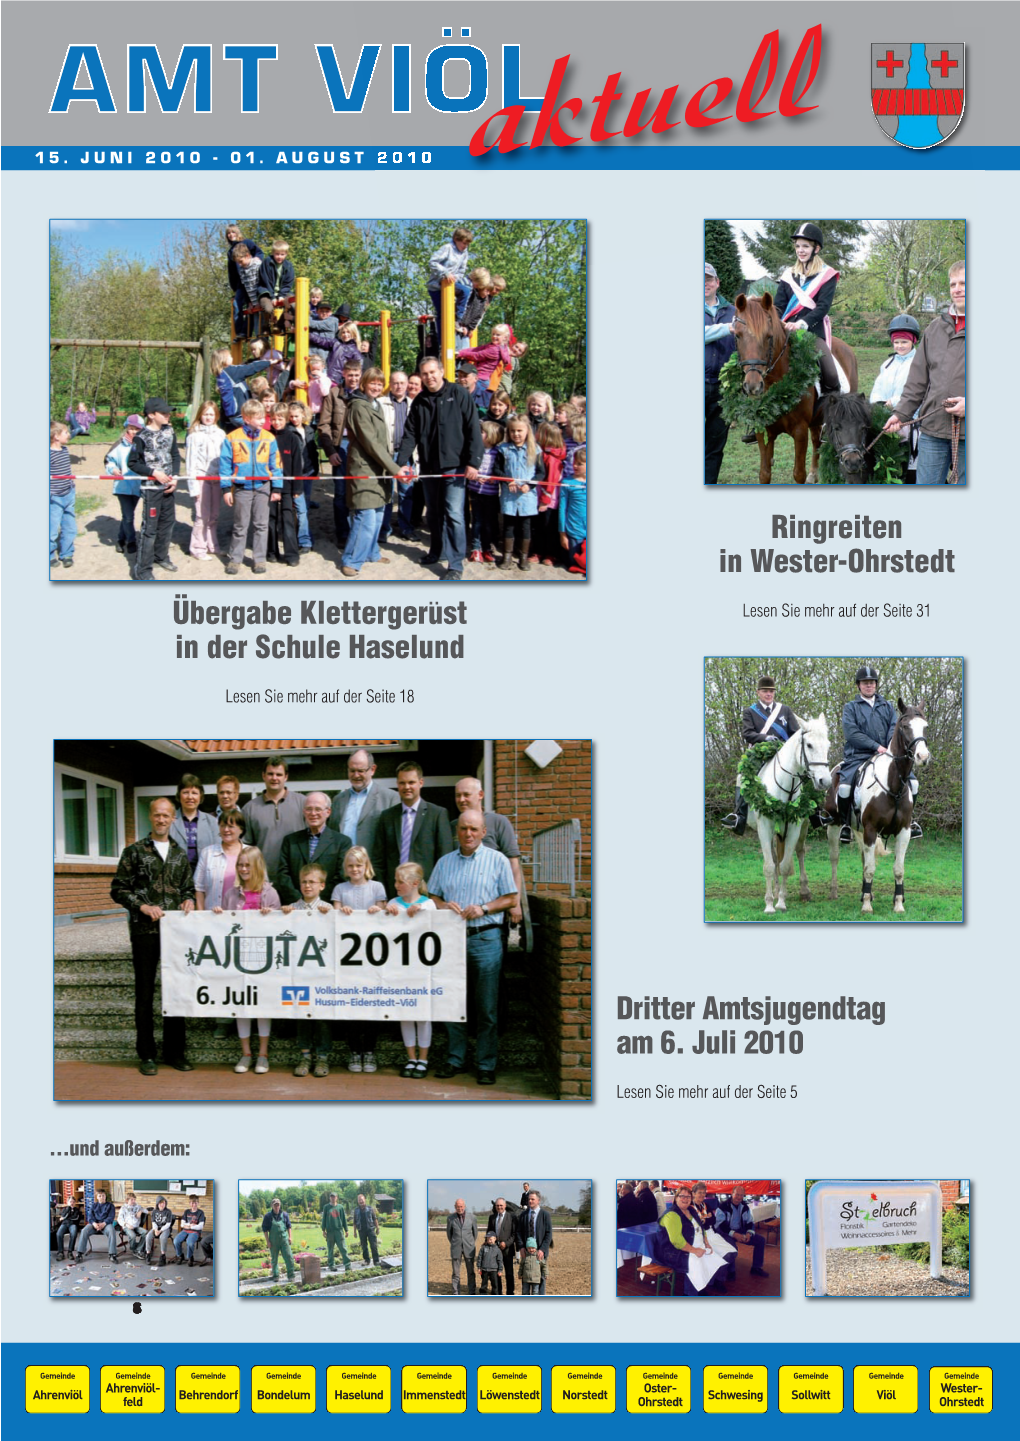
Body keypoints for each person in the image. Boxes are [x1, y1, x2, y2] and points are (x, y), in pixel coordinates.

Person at [429, 809, 518, 1085]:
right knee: (453, 1002)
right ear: (458, 832)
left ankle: (485, 1064)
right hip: (452, 940)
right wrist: (444, 905)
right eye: (463, 829)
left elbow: (511, 898)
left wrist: (484, 908)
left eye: (473, 829)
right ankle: (455, 1059)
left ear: (483, 833)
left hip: (486, 938)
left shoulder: (498, 860)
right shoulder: (444, 863)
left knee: (486, 1006)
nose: (468, 834)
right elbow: (433, 895)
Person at [110, 797, 196, 1075]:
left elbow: (187, 888)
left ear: (173, 819)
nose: (161, 820)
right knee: (145, 994)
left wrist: (189, 900)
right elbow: (118, 889)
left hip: (174, 933)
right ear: (151, 817)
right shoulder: (134, 852)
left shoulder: (179, 853)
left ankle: (175, 1052)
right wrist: (142, 905)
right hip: (144, 931)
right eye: (157, 815)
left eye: (166, 816)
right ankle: (147, 1054)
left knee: (175, 993)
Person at [395, 356, 484, 580]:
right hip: (429, 466)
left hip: (455, 466)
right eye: (424, 374)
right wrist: (401, 463)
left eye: (432, 372)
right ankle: (437, 550)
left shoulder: (459, 394)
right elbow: (410, 434)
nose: (429, 377)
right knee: (433, 513)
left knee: (454, 514)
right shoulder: (420, 400)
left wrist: (474, 462)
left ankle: (455, 565)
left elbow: (473, 427)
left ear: (442, 371)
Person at [883, 261, 966, 485]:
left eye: (964, 283)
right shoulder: (934, 329)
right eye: (953, 284)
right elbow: (917, 382)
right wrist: (901, 414)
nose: (957, 289)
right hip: (934, 430)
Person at [831, 664, 922, 843]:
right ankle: (846, 824)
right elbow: (852, 733)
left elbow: (893, 728)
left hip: (886, 754)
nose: (869, 685)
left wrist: (887, 747)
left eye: (872, 682)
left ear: (876, 684)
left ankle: (911, 821)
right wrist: (875, 746)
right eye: (865, 683)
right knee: (844, 786)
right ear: (858, 685)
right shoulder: (851, 707)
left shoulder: (887, 706)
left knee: (913, 782)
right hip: (858, 755)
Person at [217, 846, 280, 1074]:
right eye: (240, 865)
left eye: (247, 865)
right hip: (238, 957)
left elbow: (281, 928)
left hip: (263, 958)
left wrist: (271, 917)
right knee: (241, 1005)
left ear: (257, 867)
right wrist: (217, 915)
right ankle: (246, 1054)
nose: (243, 869)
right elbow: (223, 926)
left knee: (262, 1005)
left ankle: (263, 1054)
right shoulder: (231, 894)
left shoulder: (270, 893)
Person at [771, 223, 842, 420]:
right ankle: (759, 417)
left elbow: (822, 307)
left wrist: (801, 323)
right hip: (785, 328)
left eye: (805, 246)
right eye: (798, 246)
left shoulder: (827, 275)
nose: (800, 251)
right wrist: (777, 321)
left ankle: (831, 414)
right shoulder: (788, 275)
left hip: (812, 330)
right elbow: (779, 305)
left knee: (830, 373)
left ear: (816, 249)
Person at [341, 366, 406, 576]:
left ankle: (371, 552)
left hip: (378, 469)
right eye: (372, 383)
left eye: (379, 383)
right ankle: (351, 560)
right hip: (365, 468)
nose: (376, 387)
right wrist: (395, 468)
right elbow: (370, 443)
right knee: (365, 516)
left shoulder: (375, 404)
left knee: (378, 514)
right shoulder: (359, 406)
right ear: (364, 384)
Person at [721, 677, 801, 835]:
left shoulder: (785, 710)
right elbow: (748, 733)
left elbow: (795, 733)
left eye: (771, 691)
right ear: (758, 692)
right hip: (759, 755)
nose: (769, 694)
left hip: (783, 755)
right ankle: (738, 816)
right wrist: (765, 738)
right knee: (742, 778)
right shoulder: (750, 711)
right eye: (765, 691)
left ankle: (817, 814)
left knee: (807, 772)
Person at [332, 845, 387, 1072]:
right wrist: (341, 913)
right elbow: (333, 919)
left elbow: (386, 917)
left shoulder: (377, 888)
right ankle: (354, 1051)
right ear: (345, 868)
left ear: (367, 866)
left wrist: (378, 910)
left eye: (359, 865)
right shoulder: (339, 889)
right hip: (347, 959)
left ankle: (370, 1052)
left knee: (371, 1005)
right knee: (351, 1005)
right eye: (351, 865)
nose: (355, 869)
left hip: (372, 958)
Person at [452, 775, 524, 936]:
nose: (461, 799)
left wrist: (515, 903)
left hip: (492, 912)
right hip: (459, 917)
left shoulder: (498, 822)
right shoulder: (452, 826)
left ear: (480, 795)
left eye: (466, 794)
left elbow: (514, 865)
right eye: (458, 795)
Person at [219, 398, 283, 575]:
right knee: (240, 525)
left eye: (264, 417)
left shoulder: (269, 438)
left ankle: (259, 559)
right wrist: (226, 489)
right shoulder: (232, 437)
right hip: (242, 488)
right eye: (258, 417)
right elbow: (225, 465)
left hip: (263, 486)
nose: (263, 420)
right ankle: (235, 559)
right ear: (246, 418)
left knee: (261, 524)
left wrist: (277, 488)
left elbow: (276, 464)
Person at [385, 862, 437, 1076]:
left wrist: (421, 910)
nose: (396, 885)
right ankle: (411, 1057)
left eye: (400, 881)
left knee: (423, 1014)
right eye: (396, 880)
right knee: (405, 1012)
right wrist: (385, 912)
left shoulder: (429, 904)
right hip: (400, 967)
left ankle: (423, 1059)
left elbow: (434, 918)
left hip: (422, 967)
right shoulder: (393, 903)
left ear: (415, 883)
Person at [284, 864, 336, 1076]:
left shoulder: (328, 908)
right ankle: (305, 1056)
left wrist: (331, 915)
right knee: (302, 1014)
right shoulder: (292, 908)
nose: (307, 885)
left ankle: (322, 1058)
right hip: (299, 973)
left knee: (323, 1016)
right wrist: (283, 914)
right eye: (304, 881)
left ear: (322, 885)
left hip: (323, 973)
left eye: (312, 882)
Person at [371, 761, 454, 891]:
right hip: (394, 892)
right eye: (402, 783)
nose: (406, 787)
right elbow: (378, 859)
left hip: (426, 891)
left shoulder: (437, 814)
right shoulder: (387, 817)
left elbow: (445, 858)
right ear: (397, 784)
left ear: (421, 783)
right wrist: (382, 890)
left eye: (411, 782)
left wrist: (436, 892)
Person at [127, 398, 182, 581]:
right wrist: (153, 473)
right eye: (164, 413)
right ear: (151, 415)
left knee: (167, 524)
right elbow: (132, 463)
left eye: (168, 412)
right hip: (151, 488)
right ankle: (142, 569)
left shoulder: (170, 431)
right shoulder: (141, 437)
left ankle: (161, 556)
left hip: (168, 487)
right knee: (149, 529)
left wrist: (174, 477)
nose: (168, 415)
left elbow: (175, 455)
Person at [870, 315, 920, 483]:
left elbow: (919, 388)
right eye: (896, 342)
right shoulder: (887, 364)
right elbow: (878, 386)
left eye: (904, 342)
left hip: (911, 417)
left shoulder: (919, 362)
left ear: (913, 341)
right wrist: (878, 402)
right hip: (887, 415)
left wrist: (896, 401)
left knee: (910, 459)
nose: (899, 346)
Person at [276, 793, 353, 903]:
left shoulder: (342, 842)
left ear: (328, 812)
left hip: (327, 906)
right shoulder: (290, 841)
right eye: (309, 809)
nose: (313, 813)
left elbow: (341, 876)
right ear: (304, 812)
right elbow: (283, 875)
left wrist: (318, 901)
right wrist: (299, 900)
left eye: (318, 809)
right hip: (294, 906)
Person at [242, 757, 307, 883]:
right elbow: (246, 847)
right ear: (263, 776)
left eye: (279, 774)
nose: (274, 778)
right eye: (270, 774)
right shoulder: (250, 808)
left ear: (286, 777)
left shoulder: (302, 803)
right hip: (263, 879)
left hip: (297, 879)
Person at [494, 415, 546, 572]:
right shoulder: (503, 449)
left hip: (527, 496)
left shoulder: (535, 450)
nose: (516, 434)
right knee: (508, 525)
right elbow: (497, 470)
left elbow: (541, 473)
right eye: (512, 431)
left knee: (525, 526)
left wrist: (529, 485)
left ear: (527, 431)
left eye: (519, 430)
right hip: (509, 495)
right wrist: (507, 480)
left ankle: (523, 557)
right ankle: (507, 555)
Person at [657, 1185, 726, 1296]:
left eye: (688, 1196)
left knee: (713, 1258)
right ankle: (690, 1293)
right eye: (682, 1196)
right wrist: (694, 1250)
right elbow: (676, 1241)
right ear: (676, 1198)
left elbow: (701, 1227)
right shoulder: (672, 1214)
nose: (685, 1199)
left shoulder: (690, 1210)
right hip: (672, 1251)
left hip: (692, 1245)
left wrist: (706, 1242)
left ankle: (701, 1286)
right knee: (696, 1261)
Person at [327, 748, 399, 855]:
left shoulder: (390, 798)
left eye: (361, 771)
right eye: (352, 770)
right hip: (344, 866)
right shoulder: (338, 800)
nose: (356, 775)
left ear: (373, 769)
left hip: (374, 868)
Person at [704, 261, 737, 484]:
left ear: (717, 283)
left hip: (722, 389)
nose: (704, 284)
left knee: (715, 446)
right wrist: (728, 328)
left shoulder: (733, 312)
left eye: (708, 279)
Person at [184, 401, 227, 558]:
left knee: (214, 515)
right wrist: (193, 486)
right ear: (200, 415)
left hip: (217, 478)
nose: (208, 417)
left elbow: (225, 458)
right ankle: (197, 548)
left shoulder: (221, 434)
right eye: (205, 414)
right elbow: (190, 462)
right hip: (201, 478)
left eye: (211, 414)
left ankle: (212, 545)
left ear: (216, 416)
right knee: (202, 515)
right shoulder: (194, 436)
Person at [265, 403, 302, 566]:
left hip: (287, 486)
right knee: (270, 519)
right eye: (273, 419)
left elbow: (297, 465)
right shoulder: (266, 436)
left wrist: (297, 487)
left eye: (280, 418)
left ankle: (292, 555)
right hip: (269, 485)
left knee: (288, 519)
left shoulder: (293, 437)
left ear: (286, 419)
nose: (276, 422)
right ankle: (271, 552)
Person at [104, 413, 144, 557]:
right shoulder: (119, 445)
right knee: (128, 516)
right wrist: (113, 469)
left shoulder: (143, 445)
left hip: (138, 486)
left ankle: (121, 539)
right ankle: (131, 541)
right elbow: (109, 460)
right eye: (131, 428)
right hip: (123, 486)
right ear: (127, 428)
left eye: (137, 429)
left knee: (128, 515)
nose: (134, 432)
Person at [194, 808, 247, 911]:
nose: (226, 829)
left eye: (231, 826)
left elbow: (261, 886)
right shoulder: (208, 853)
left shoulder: (251, 853)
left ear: (241, 829)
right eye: (222, 825)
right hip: (212, 917)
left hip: (242, 917)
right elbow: (199, 888)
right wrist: (201, 917)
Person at [713, 1184, 770, 1279]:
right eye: (737, 1194)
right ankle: (731, 1271)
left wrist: (749, 1233)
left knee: (760, 1240)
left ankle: (756, 1267)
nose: (739, 1197)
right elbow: (720, 1225)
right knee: (732, 1247)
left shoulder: (745, 1207)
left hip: (740, 1230)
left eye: (741, 1195)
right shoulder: (722, 1207)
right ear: (732, 1193)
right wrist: (734, 1234)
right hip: (725, 1232)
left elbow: (750, 1221)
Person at [468, 419, 504, 565]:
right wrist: (476, 477)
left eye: (482, 432)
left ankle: (487, 548)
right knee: (476, 521)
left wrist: (493, 479)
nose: (478, 434)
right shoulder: (475, 449)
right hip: (475, 491)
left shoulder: (498, 452)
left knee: (489, 522)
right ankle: (475, 548)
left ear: (491, 436)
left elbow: (500, 472)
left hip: (491, 493)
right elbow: (470, 468)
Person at [212, 347, 271, 429]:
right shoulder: (231, 371)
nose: (232, 358)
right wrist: (269, 362)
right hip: (238, 413)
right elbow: (251, 368)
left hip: (229, 414)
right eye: (230, 356)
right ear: (224, 360)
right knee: (259, 427)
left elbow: (240, 369)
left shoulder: (222, 373)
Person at [169, 774, 219, 871]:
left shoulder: (212, 821)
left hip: (205, 875)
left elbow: (218, 851)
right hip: (176, 875)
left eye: (194, 793)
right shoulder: (170, 819)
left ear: (201, 796)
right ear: (179, 795)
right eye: (185, 792)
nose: (190, 797)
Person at [533, 421, 566, 564]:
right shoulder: (543, 452)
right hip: (540, 495)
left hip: (548, 499)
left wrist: (544, 500)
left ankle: (550, 554)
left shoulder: (552, 458)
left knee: (547, 527)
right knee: (538, 526)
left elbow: (551, 480)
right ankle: (537, 551)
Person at [428, 226, 474, 328]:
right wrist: (445, 273)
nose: (466, 246)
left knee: (466, 290)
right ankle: (441, 341)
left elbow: (461, 270)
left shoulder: (464, 254)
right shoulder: (447, 248)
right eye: (464, 243)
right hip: (436, 286)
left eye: (468, 244)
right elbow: (432, 262)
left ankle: (458, 318)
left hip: (451, 284)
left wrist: (454, 278)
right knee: (443, 313)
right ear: (456, 239)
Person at [50, 420, 76, 569]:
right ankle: (50, 555)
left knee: (70, 527)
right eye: (66, 432)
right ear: (56, 436)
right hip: (54, 497)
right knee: (52, 530)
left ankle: (66, 554)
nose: (69, 435)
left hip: (69, 493)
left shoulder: (65, 450)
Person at [516, 1190, 552, 1296]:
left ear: (538, 1200)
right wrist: (521, 1247)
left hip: (540, 1252)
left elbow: (548, 1234)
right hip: (526, 1253)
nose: (530, 1201)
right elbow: (518, 1232)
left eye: (532, 1199)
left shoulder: (545, 1215)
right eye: (529, 1199)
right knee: (526, 1277)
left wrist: (542, 1249)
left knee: (540, 1279)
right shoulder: (523, 1215)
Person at [257, 238, 296, 332]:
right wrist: (273, 296)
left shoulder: (288, 266)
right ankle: (266, 325)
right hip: (266, 291)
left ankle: (279, 325)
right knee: (268, 308)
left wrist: (282, 295)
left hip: (282, 292)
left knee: (294, 304)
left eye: (282, 254)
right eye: (277, 254)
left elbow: (288, 283)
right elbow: (266, 281)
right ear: (273, 253)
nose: (279, 257)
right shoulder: (267, 262)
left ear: (286, 254)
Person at [558, 446, 586, 575]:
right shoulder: (567, 482)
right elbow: (562, 508)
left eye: (579, 464)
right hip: (575, 529)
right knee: (575, 563)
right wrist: (562, 534)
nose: (575, 466)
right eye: (574, 462)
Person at [73, 1189, 118, 1263]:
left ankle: (112, 1254)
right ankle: (79, 1253)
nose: (102, 1197)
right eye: (100, 1196)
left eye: (103, 1195)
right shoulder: (94, 1205)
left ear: (105, 1196)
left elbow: (111, 1217)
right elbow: (90, 1217)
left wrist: (103, 1224)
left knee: (112, 1230)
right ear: (97, 1197)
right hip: (94, 1224)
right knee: (84, 1230)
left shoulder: (110, 1205)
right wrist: (94, 1223)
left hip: (106, 1224)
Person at [486, 1197, 518, 1295]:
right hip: (495, 1250)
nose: (499, 1207)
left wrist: (506, 1243)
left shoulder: (512, 1217)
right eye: (497, 1205)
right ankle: (497, 1292)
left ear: (505, 1206)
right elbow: (489, 1232)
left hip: (507, 1250)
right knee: (496, 1274)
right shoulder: (492, 1217)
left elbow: (514, 1234)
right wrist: (487, 1241)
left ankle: (510, 1293)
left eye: (501, 1205)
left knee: (509, 1274)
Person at [447, 1198, 477, 1295]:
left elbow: (475, 1233)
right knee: (456, 1273)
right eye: (457, 1207)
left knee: (471, 1273)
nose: (459, 1208)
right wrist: (456, 1243)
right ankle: (456, 1293)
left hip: (469, 1248)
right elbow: (449, 1234)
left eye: (461, 1206)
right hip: (456, 1249)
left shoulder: (472, 1217)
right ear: (455, 1207)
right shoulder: (450, 1218)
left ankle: (472, 1292)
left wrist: (469, 1243)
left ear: (464, 1206)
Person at [262, 1198, 296, 1282]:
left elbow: (289, 1226)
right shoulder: (268, 1216)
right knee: (274, 1259)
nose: (277, 1206)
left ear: (280, 1205)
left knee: (289, 1257)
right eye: (275, 1205)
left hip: (284, 1240)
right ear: (272, 1206)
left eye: (278, 1205)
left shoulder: (284, 1215)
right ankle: (276, 1275)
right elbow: (265, 1230)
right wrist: (268, 1241)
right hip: (273, 1241)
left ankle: (291, 1275)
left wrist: (290, 1237)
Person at [321, 1193, 352, 1274]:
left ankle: (347, 1265)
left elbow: (344, 1219)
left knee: (343, 1248)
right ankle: (331, 1265)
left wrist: (346, 1230)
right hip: (330, 1232)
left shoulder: (340, 1207)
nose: (333, 1198)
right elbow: (324, 1219)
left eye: (334, 1197)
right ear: (329, 1198)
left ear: (337, 1198)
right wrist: (323, 1230)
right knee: (330, 1249)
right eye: (331, 1197)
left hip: (339, 1231)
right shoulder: (326, 1207)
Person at [352, 1193, 381, 1265]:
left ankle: (376, 1261)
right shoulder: (356, 1210)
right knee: (364, 1246)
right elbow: (355, 1222)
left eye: (361, 1200)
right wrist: (354, 1232)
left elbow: (375, 1219)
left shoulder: (370, 1209)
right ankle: (366, 1260)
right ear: (358, 1201)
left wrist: (377, 1228)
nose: (360, 1201)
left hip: (370, 1229)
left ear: (364, 1200)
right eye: (359, 1200)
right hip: (361, 1230)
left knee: (373, 1246)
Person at [145, 1197, 175, 1265]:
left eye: (164, 1203)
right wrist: (156, 1230)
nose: (162, 1204)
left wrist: (160, 1230)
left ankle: (163, 1256)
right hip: (156, 1228)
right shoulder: (154, 1211)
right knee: (148, 1236)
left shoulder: (168, 1211)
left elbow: (168, 1224)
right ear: (157, 1204)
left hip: (165, 1228)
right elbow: (153, 1222)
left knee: (163, 1238)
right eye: (161, 1203)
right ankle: (148, 1254)